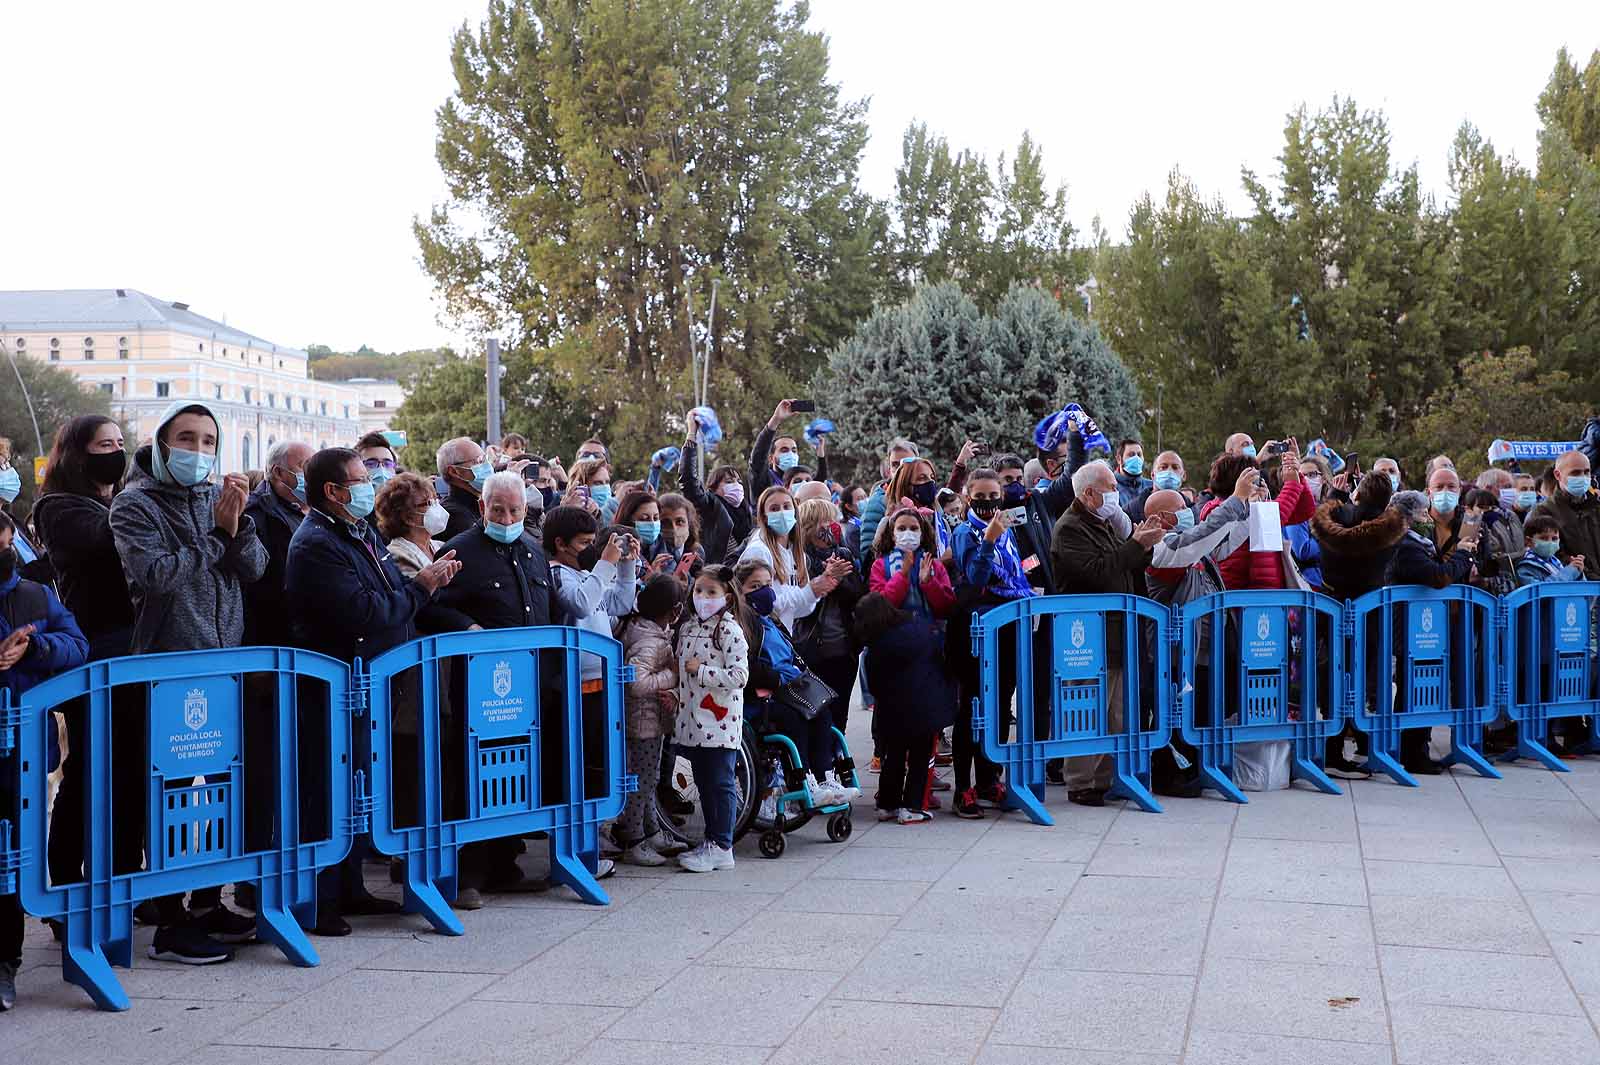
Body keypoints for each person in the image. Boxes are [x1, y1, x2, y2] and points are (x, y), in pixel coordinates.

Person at [110, 399, 266, 963]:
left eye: (207, 440)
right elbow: (155, 576)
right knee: (173, 792)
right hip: (170, 666)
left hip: (223, 663)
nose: (197, 451)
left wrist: (240, 526)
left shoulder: (213, 497)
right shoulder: (135, 505)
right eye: (186, 438)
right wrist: (216, 540)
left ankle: (206, 901)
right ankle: (169, 921)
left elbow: (254, 569)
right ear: (161, 442)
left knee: (219, 787)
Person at [285, 447, 461, 930]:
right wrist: (421, 586)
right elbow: (366, 611)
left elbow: (390, 594)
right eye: (361, 479)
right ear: (333, 491)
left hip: (370, 683)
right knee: (330, 791)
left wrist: (428, 584)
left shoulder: (355, 532)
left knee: (361, 788)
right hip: (337, 684)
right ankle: (320, 900)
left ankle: (350, 886)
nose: (369, 485)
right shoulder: (316, 542)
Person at [29, 416, 148, 940]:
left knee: (132, 772)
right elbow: (110, 542)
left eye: (121, 444)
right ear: (78, 453)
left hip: (136, 650)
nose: (117, 453)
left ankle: (123, 884)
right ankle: (66, 893)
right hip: (94, 651)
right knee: (89, 772)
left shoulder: (117, 501)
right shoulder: (59, 507)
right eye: (106, 445)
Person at [0, 508, 89, 1010]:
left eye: (6, 543)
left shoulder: (34, 595)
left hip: (22, 754)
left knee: (12, 858)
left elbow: (77, 645)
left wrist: (33, 648)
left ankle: (5, 959)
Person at [1050, 460, 1166, 806]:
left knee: (1115, 712)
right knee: (1086, 709)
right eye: (1110, 488)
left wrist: (1142, 545)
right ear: (1088, 493)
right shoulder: (1070, 527)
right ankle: (1080, 782)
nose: (1116, 494)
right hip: (1085, 637)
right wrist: (1134, 545)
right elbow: (1098, 572)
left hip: (1115, 631)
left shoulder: (1101, 523)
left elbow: (1125, 568)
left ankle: (1103, 778)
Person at [544, 504, 637, 841]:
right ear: (560, 543)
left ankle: (593, 833)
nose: (590, 550)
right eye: (584, 543)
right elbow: (581, 603)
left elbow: (620, 603)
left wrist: (626, 566)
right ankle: (577, 839)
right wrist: (606, 564)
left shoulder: (588, 575)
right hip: (573, 684)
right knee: (579, 763)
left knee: (599, 759)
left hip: (601, 679)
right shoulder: (557, 573)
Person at [736, 558, 857, 813]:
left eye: (768, 584)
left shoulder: (773, 620)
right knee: (796, 719)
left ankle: (824, 777)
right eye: (755, 586)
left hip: (787, 690)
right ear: (740, 591)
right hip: (760, 698)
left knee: (823, 713)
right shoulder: (741, 625)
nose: (764, 591)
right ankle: (802, 782)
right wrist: (777, 677)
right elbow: (746, 667)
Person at [948, 469, 1036, 817]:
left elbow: (1019, 569)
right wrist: (988, 540)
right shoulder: (964, 532)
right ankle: (963, 788)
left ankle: (989, 779)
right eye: (980, 497)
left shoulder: (1009, 532)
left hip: (1010, 627)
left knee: (1000, 706)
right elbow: (976, 577)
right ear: (968, 498)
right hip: (974, 631)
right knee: (972, 710)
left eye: (993, 496)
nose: (988, 503)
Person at [1310, 472, 1405, 776]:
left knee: (1332, 677)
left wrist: (1336, 497)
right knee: (1366, 679)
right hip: (1370, 611)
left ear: (1358, 493)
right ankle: (1366, 743)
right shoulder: (1389, 529)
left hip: (1333, 605)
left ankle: (1332, 748)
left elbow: (1327, 520)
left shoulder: (1334, 521)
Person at [1388, 487, 1477, 775]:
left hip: (1422, 629)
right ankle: (1412, 753)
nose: (1428, 516)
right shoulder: (1406, 545)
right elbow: (1438, 576)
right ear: (1410, 516)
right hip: (1411, 629)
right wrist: (1462, 554)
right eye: (1423, 512)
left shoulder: (1416, 542)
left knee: (1420, 688)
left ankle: (1417, 748)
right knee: (1412, 689)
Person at [673, 565, 750, 872]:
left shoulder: (730, 630)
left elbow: (740, 675)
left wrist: (702, 672)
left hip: (720, 724)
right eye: (698, 591)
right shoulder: (689, 626)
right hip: (691, 722)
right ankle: (711, 839)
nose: (703, 597)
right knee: (703, 783)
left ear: (727, 597)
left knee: (720, 782)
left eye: (711, 592)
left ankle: (722, 844)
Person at [855, 591, 952, 825]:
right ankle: (913, 806)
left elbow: (874, 685)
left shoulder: (876, 648)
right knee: (921, 758)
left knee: (893, 757)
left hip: (893, 711)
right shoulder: (919, 630)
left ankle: (887, 804)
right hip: (925, 707)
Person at [614, 575, 688, 867]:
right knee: (641, 781)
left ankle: (651, 830)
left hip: (648, 721)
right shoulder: (649, 641)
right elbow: (636, 682)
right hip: (641, 723)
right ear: (674, 610)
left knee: (648, 779)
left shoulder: (645, 630)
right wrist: (672, 675)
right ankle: (633, 838)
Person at [1201, 446, 1314, 590]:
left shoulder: (1258, 505)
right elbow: (1271, 519)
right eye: (1253, 479)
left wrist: (1297, 476)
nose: (1258, 482)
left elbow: (1305, 511)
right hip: (1234, 593)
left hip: (1267, 590)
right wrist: (1292, 484)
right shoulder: (1217, 509)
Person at [738, 485, 846, 632]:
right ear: (764, 516)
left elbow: (800, 610)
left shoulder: (796, 551)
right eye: (774, 509)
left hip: (784, 638)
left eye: (786, 506)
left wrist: (819, 587)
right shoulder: (759, 551)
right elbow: (766, 604)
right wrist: (811, 590)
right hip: (760, 638)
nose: (782, 513)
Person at [242, 440, 311, 645]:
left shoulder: (311, 510)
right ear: (278, 472)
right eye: (305, 466)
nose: (312, 474)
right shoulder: (255, 515)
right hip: (275, 640)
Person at [1531, 449, 1600, 581]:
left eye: (1586, 472)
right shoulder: (1544, 512)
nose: (1583, 477)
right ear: (1558, 475)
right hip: (1576, 589)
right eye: (1575, 473)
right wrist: (1591, 578)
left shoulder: (1596, 506)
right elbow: (1554, 556)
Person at [376, 472, 451, 579]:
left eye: (436, 499)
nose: (436, 506)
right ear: (407, 517)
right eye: (429, 503)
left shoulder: (440, 546)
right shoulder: (397, 555)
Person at [435, 437, 495, 540]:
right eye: (479, 461)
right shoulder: (453, 517)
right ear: (454, 472)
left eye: (486, 459)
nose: (487, 466)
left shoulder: (479, 506)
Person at [1517, 514, 1587, 585]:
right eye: (1543, 538)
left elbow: (1587, 594)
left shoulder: (1557, 563)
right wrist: (1569, 571)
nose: (1550, 542)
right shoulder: (1526, 568)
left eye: (1554, 539)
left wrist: (1577, 572)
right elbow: (1545, 591)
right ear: (1529, 541)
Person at [655, 491, 706, 576]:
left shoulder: (697, 551)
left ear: (689, 523)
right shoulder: (652, 551)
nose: (674, 528)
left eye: (680, 521)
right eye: (665, 522)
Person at [1112, 438, 1152, 509]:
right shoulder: (1111, 487)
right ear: (1119, 459)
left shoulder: (1151, 486)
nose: (1136, 458)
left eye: (1139, 455)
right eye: (1131, 455)